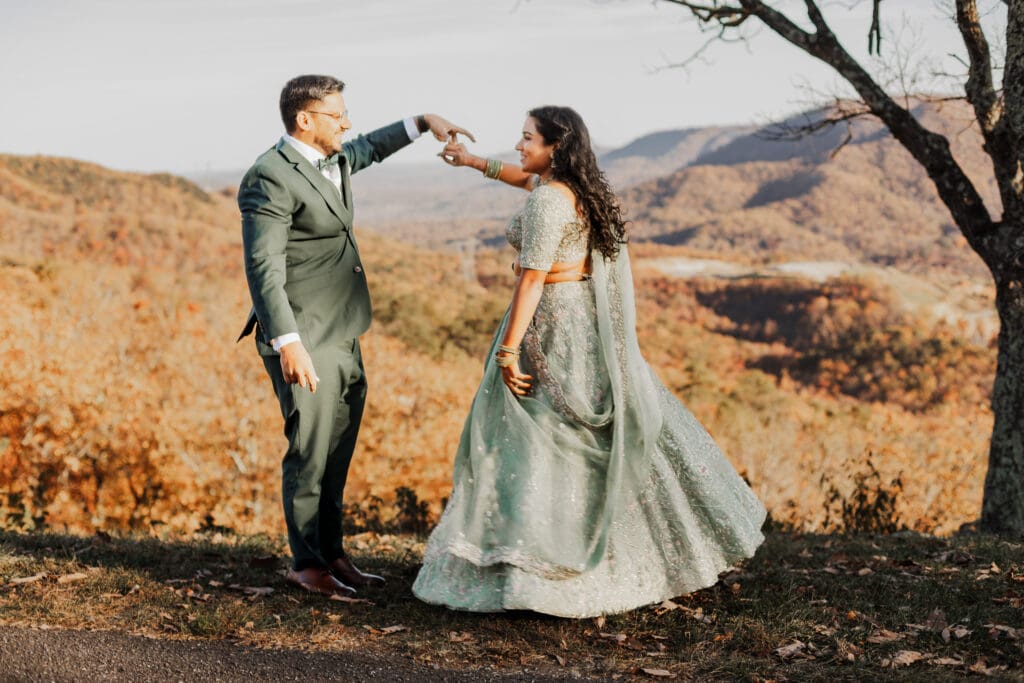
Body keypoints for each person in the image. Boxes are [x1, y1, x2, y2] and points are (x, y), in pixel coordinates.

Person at [413, 106, 766, 617]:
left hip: (550, 326)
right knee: (582, 433)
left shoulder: (547, 205)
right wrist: (471, 162)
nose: (518, 145)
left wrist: (509, 351)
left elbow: (531, 279)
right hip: (583, 322)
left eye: (527, 138)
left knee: (532, 439)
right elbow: (524, 182)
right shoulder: (572, 190)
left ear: (555, 147)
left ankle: (538, 566)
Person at [238, 74, 473, 598]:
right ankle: (306, 564)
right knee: (309, 452)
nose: (347, 123)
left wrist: (422, 122)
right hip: (305, 335)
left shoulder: (335, 158)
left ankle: (333, 554)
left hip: (345, 331)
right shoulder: (269, 176)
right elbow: (263, 266)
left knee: (337, 450)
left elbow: (368, 148)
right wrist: (287, 342)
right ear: (305, 119)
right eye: (337, 114)